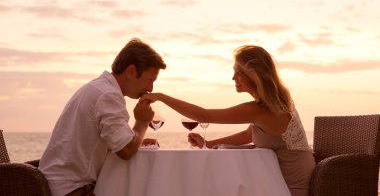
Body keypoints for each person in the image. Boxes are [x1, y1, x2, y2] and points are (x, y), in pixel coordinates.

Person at [141, 45, 315, 196]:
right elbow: (249, 134)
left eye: (239, 73)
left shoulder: (260, 110)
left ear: (254, 76)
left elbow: (203, 116)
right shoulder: (278, 102)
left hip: (292, 188)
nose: (233, 78)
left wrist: (161, 97)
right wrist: (209, 144)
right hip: (280, 181)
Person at [39, 38, 166, 196]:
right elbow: (126, 150)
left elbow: (111, 143)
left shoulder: (97, 88)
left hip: (56, 185)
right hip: (70, 190)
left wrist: (136, 140)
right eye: (149, 80)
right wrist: (142, 122)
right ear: (131, 71)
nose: (150, 88)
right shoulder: (108, 96)